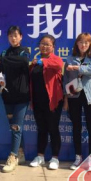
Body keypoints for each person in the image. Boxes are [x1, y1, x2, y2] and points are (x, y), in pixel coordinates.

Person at [63, 33, 91, 170]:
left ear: (90, 45)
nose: (83, 45)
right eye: (81, 42)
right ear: (76, 44)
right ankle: (78, 157)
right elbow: (66, 79)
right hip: (74, 95)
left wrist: (77, 68)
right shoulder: (70, 58)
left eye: (86, 43)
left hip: (90, 96)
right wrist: (66, 98)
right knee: (76, 127)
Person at [0, 26, 30, 173]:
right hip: (7, 95)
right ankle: (21, 154)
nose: (13, 38)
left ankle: (12, 157)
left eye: (16, 35)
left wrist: (4, 60)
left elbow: (23, 61)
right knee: (14, 127)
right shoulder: (5, 52)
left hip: (22, 96)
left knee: (16, 127)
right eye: (10, 36)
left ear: (21, 37)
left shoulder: (24, 51)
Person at [29, 35, 64, 170]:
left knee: (53, 128)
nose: (44, 46)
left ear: (53, 47)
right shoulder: (35, 62)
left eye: (48, 44)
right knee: (41, 129)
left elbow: (58, 65)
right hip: (38, 101)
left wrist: (43, 62)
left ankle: (55, 157)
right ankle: (40, 156)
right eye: (42, 44)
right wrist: (32, 65)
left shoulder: (55, 59)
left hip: (53, 101)